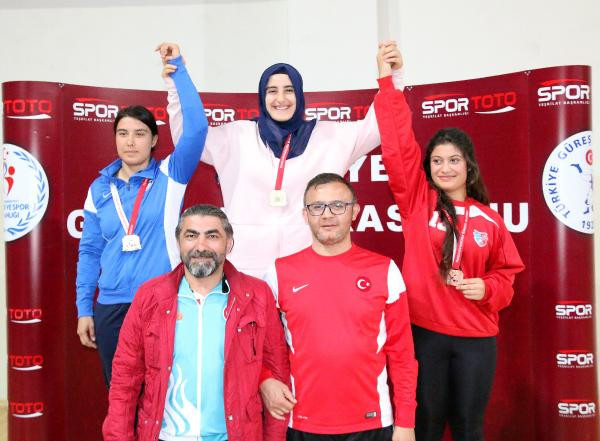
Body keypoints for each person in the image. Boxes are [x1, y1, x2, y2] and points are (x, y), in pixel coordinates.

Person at [373, 52, 525, 441]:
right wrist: (388, 83)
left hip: (476, 338)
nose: (445, 168)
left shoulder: (490, 220)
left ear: (468, 166)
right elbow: (399, 144)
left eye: (454, 160)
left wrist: (487, 287)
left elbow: (506, 277)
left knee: (469, 429)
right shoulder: (417, 202)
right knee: (424, 426)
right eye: (437, 161)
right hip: (425, 333)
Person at [157, 41, 404, 277]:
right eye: (272, 91)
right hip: (244, 270)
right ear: (262, 96)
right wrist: (176, 84)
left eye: (289, 90)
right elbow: (188, 138)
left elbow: (378, 126)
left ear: (300, 94)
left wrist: (392, 76)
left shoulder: (330, 137)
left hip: (305, 272)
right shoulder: (236, 136)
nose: (281, 99)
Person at [75, 52, 208, 386]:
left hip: (162, 303)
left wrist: (178, 72)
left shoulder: (170, 175)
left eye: (139, 133)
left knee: (163, 395)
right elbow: (89, 252)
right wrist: (84, 309)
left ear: (154, 140)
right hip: (111, 307)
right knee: (121, 396)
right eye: (123, 133)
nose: (130, 142)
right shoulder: (99, 188)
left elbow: (196, 129)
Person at [103, 204, 290, 441]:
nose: (201, 246)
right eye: (191, 236)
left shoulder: (257, 295)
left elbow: (278, 376)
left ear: (229, 243)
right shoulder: (150, 297)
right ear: (178, 243)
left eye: (212, 236)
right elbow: (124, 379)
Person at [263, 173, 418, 441]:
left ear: (354, 211)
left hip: (372, 422)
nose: (327, 215)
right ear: (305, 215)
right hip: (302, 421)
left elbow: (402, 355)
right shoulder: (279, 273)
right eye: (317, 207)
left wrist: (406, 423)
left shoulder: (384, 270)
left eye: (338, 205)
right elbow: (260, 345)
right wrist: (265, 380)